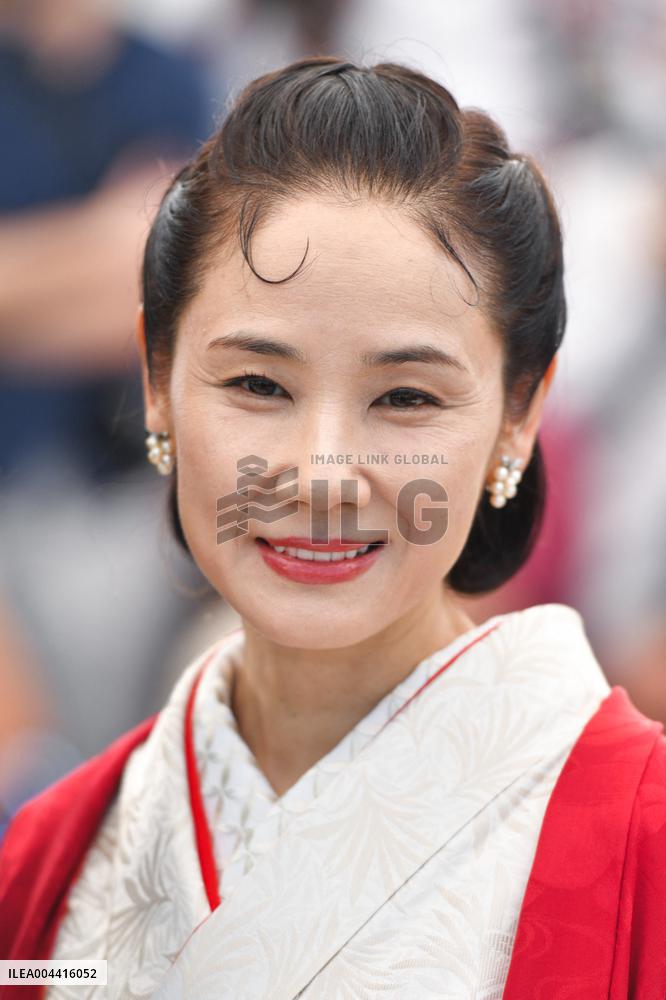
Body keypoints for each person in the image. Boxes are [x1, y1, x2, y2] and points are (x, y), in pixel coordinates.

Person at [1, 56, 665, 999]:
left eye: (405, 396)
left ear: (520, 412)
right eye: (258, 385)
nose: (320, 475)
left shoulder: (647, 843)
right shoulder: (48, 864)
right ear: (156, 381)